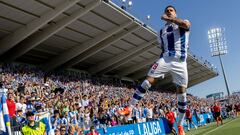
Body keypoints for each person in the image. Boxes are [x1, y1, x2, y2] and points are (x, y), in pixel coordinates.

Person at [118, 5, 191, 135]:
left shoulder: (182, 22)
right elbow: (163, 48)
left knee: (182, 94)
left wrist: (173, 19)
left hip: (180, 62)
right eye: (167, 11)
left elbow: (186, 25)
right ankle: (129, 108)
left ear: (175, 13)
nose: (169, 12)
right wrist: (159, 64)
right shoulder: (161, 31)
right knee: (147, 81)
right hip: (166, 58)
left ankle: (180, 124)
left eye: (171, 10)